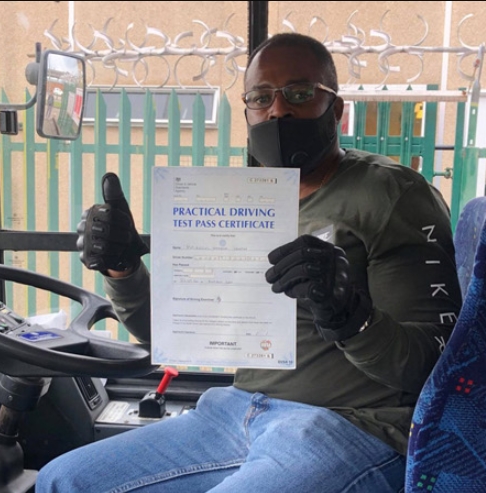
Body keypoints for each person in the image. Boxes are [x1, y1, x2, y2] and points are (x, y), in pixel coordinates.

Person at [36, 32, 462, 493]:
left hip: (349, 424)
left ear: (336, 109)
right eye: (261, 97)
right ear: (247, 113)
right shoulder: (242, 200)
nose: (278, 110)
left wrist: (351, 317)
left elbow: (432, 363)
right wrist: (123, 270)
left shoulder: (391, 195)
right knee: (64, 480)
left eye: (299, 93)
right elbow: (177, 333)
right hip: (235, 411)